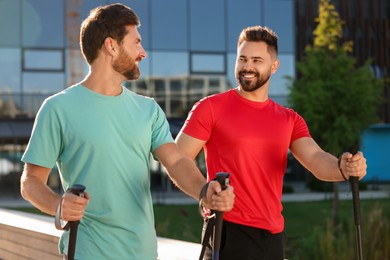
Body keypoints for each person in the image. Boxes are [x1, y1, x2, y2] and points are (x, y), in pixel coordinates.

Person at [20, 3, 234, 259]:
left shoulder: (148, 110)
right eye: (136, 43)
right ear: (111, 45)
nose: (143, 52)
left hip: (142, 252)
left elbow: (176, 160)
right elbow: (30, 181)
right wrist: (59, 205)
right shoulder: (58, 108)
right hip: (87, 251)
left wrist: (204, 191)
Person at [175, 25, 367, 260]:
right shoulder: (211, 108)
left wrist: (343, 168)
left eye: (257, 60)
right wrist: (204, 192)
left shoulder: (289, 119)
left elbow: (316, 159)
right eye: (242, 59)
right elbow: (177, 158)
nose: (248, 66)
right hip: (228, 233)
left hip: (273, 238)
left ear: (274, 66)